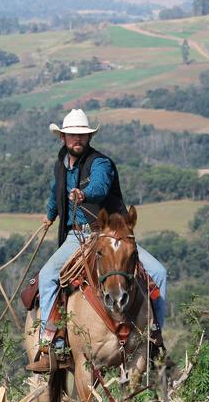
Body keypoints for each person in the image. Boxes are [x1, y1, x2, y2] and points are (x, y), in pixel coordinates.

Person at [26, 109, 168, 373]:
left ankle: (155, 340)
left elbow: (101, 187)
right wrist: (49, 216)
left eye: (82, 135)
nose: (77, 139)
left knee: (158, 272)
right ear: (63, 137)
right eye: (72, 135)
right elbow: (54, 193)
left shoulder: (100, 163)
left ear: (88, 137)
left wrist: (83, 193)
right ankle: (49, 343)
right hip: (76, 235)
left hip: (108, 233)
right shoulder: (60, 164)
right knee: (48, 277)